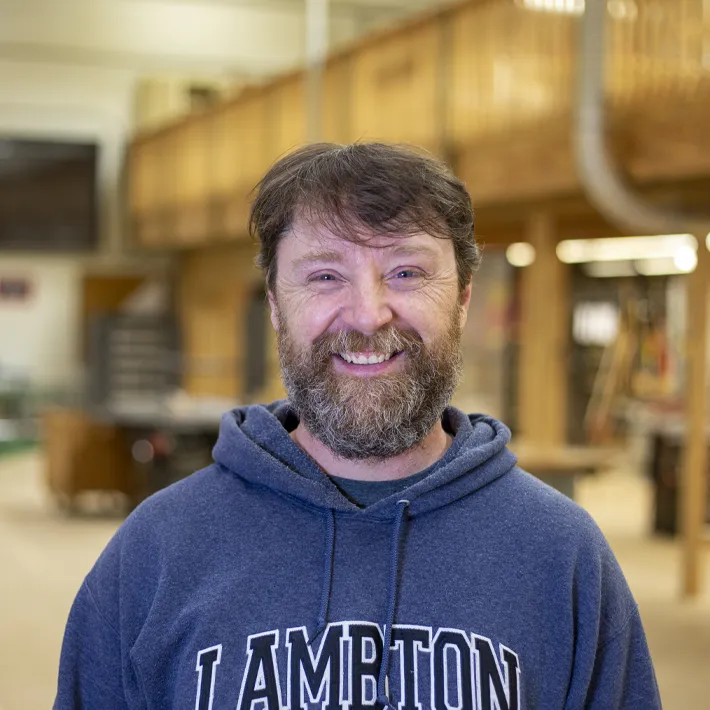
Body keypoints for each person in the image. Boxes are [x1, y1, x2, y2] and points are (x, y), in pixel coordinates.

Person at [55, 143, 661, 709]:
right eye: (324, 275)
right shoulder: (155, 552)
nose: (369, 314)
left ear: (463, 299)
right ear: (274, 303)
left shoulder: (561, 555)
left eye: (406, 273)